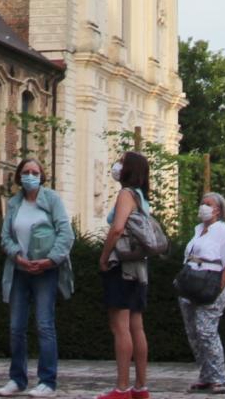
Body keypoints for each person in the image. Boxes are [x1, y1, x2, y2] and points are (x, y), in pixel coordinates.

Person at [0, 156, 74, 398]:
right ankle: (17, 379)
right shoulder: (14, 203)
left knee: (44, 325)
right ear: (19, 176)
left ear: (42, 176)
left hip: (45, 271)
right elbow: (5, 237)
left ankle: (47, 381)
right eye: (26, 172)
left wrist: (50, 260)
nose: (30, 176)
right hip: (19, 271)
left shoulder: (52, 199)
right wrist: (17, 256)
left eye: (34, 172)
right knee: (16, 327)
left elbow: (66, 233)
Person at [97, 149, 154, 399]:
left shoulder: (126, 194)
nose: (117, 166)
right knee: (136, 326)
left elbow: (117, 228)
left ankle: (121, 388)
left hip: (122, 265)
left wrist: (104, 256)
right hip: (139, 268)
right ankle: (140, 387)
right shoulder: (142, 197)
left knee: (120, 327)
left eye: (121, 162)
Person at [180, 190, 225, 393]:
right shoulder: (198, 230)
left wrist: (217, 289)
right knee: (194, 333)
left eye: (208, 204)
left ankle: (219, 378)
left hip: (212, 284)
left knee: (206, 330)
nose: (203, 207)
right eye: (202, 202)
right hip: (191, 284)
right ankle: (206, 375)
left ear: (218, 210)